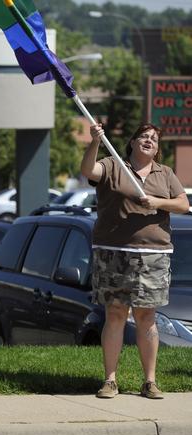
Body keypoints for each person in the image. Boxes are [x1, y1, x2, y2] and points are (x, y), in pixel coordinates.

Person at [81, 123, 189, 400]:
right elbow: (87, 171)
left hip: (154, 255)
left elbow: (183, 204)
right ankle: (110, 380)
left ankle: (150, 381)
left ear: (157, 148)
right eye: (144, 136)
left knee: (146, 316)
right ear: (132, 142)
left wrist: (157, 202)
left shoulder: (164, 173)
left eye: (154, 139)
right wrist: (95, 141)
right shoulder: (112, 164)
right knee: (115, 313)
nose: (149, 140)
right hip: (113, 252)